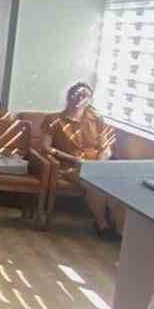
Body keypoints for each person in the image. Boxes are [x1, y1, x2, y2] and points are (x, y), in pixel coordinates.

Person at [49, 81, 121, 240]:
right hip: (71, 166)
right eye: (76, 94)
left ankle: (119, 228)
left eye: (84, 95)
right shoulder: (54, 120)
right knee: (94, 184)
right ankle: (102, 225)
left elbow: (106, 148)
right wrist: (73, 158)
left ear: (89, 100)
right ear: (69, 97)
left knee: (116, 184)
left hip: (97, 166)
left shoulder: (96, 120)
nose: (79, 98)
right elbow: (46, 148)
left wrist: (99, 164)